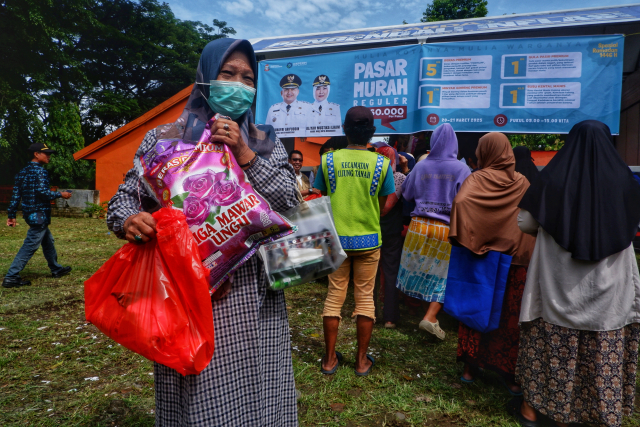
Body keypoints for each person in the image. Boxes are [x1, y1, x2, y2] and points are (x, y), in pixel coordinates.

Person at [107, 38, 299, 426]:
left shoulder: (266, 142)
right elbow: (123, 200)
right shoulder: (163, 140)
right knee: (202, 394)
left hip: (254, 292)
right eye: (227, 74)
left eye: (247, 78)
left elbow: (288, 203)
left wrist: (245, 154)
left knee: (261, 386)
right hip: (191, 297)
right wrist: (130, 221)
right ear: (206, 78)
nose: (238, 84)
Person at [510, 120, 640, 427]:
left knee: (549, 346)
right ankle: (600, 413)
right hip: (611, 289)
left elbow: (525, 224)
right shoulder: (626, 182)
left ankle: (536, 411)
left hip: (558, 282)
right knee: (601, 351)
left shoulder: (552, 180)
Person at [449, 132, 536, 394]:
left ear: (485, 151)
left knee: (475, 308)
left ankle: (469, 368)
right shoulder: (522, 181)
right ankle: (508, 373)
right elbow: (530, 216)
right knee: (509, 320)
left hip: (481, 258)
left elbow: (461, 202)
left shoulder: (477, 178)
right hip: (514, 262)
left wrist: (478, 236)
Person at [314, 106, 395, 376]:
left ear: (345, 129)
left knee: (334, 296)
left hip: (336, 241)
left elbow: (319, 199)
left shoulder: (328, 160)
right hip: (369, 240)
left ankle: (328, 361)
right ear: (371, 131)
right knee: (365, 299)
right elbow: (383, 206)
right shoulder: (382, 164)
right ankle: (361, 362)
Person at [395, 124, 470, 338]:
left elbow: (406, 194)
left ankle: (418, 311)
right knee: (443, 274)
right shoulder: (461, 169)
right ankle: (430, 316)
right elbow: (465, 202)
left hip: (418, 226)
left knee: (419, 268)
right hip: (445, 228)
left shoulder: (420, 166)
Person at [3, 143, 72, 288]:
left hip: (30, 214)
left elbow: (16, 195)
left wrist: (11, 214)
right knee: (30, 245)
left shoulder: (22, 172)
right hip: (39, 214)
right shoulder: (40, 172)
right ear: (36, 154)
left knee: (48, 240)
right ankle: (11, 276)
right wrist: (61, 194)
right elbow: (43, 193)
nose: (49, 156)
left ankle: (56, 269)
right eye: (46, 154)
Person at [375, 144, 409, 328]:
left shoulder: (371, 176)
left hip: (372, 229)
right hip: (392, 232)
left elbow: (380, 209)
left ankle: (367, 313)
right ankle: (390, 318)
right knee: (390, 273)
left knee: (369, 273)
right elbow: (387, 208)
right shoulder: (399, 177)